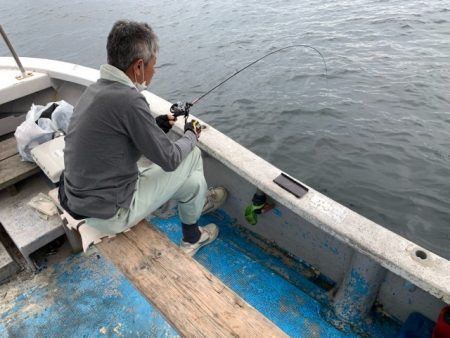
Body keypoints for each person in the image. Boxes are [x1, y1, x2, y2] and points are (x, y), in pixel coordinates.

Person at [60, 20, 226, 256]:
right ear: (138, 67)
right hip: (111, 212)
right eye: (153, 65)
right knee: (193, 154)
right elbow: (170, 159)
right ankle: (192, 229)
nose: (154, 71)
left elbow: (117, 143)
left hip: (80, 200)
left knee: (194, 184)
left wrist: (157, 126)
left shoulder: (95, 91)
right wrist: (192, 133)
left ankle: (195, 211)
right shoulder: (129, 100)